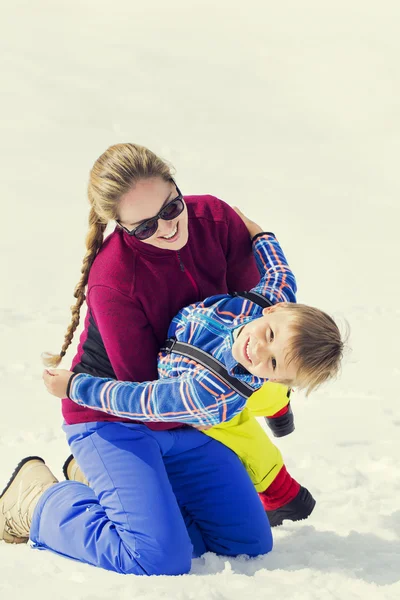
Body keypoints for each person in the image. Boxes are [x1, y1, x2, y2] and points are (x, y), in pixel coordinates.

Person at [0, 143, 292, 574]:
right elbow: (147, 397)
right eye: (144, 227)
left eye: (172, 206)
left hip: (185, 411)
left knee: (246, 543)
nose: (169, 228)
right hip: (112, 412)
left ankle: (107, 487)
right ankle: (37, 499)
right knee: (157, 557)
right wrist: (222, 394)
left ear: (176, 186)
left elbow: (258, 305)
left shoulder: (214, 218)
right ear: (118, 226)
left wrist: (262, 238)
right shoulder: (114, 279)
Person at [42, 215, 344, 524]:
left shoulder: (207, 396)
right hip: (249, 378)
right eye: (268, 335)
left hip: (211, 390)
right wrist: (258, 233)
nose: (258, 349)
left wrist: (75, 388)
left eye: (275, 362)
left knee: (237, 429)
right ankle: (277, 404)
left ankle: (283, 494)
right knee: (261, 384)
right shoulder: (264, 303)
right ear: (274, 309)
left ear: (280, 377)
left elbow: (143, 400)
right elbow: (280, 275)